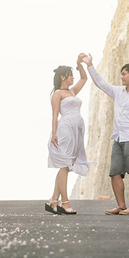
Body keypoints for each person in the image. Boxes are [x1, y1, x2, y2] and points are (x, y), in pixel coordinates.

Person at [82, 54, 129, 215]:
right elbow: (100, 83)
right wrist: (90, 65)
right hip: (118, 138)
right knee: (114, 172)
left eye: (124, 74)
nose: (121, 77)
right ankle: (121, 206)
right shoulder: (118, 92)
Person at [46, 55, 92, 215]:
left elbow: (84, 78)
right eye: (71, 74)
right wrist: (54, 133)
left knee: (66, 166)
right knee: (65, 165)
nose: (73, 77)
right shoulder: (57, 94)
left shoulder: (72, 91)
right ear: (63, 77)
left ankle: (53, 199)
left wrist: (79, 64)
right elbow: (54, 114)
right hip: (65, 129)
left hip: (76, 130)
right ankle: (64, 203)